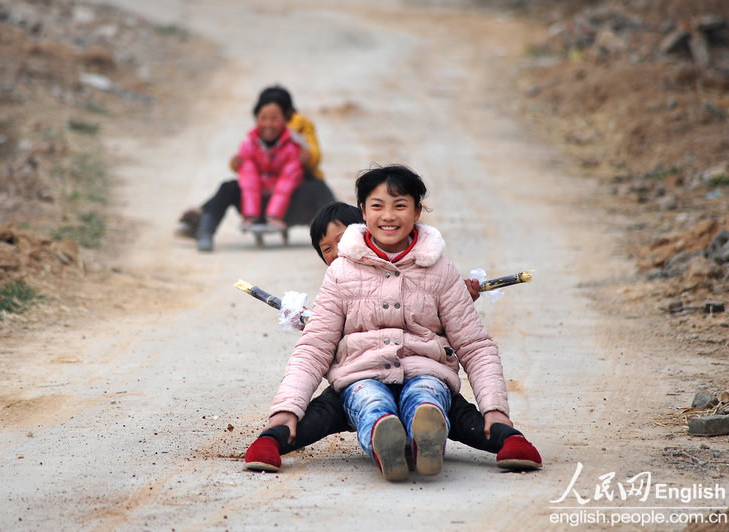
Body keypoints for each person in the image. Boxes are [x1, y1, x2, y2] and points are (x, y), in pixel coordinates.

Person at [245, 165, 541, 481]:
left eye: (400, 205)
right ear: (363, 213)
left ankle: (426, 437)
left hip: (427, 372)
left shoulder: (441, 271)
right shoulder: (341, 273)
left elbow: (475, 346)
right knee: (370, 401)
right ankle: (386, 442)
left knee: (427, 396)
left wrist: (496, 412)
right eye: (377, 206)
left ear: (417, 211)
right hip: (362, 376)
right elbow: (314, 349)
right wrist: (285, 412)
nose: (388, 215)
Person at [178, 85, 334, 250]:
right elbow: (246, 171)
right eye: (263, 117)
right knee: (228, 187)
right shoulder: (252, 141)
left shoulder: (297, 136)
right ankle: (203, 229)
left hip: (291, 200)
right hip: (258, 201)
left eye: (274, 118)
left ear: (286, 117)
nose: (268, 123)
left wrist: (307, 158)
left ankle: (342, 230)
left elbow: (309, 160)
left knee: (318, 187)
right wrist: (236, 163)